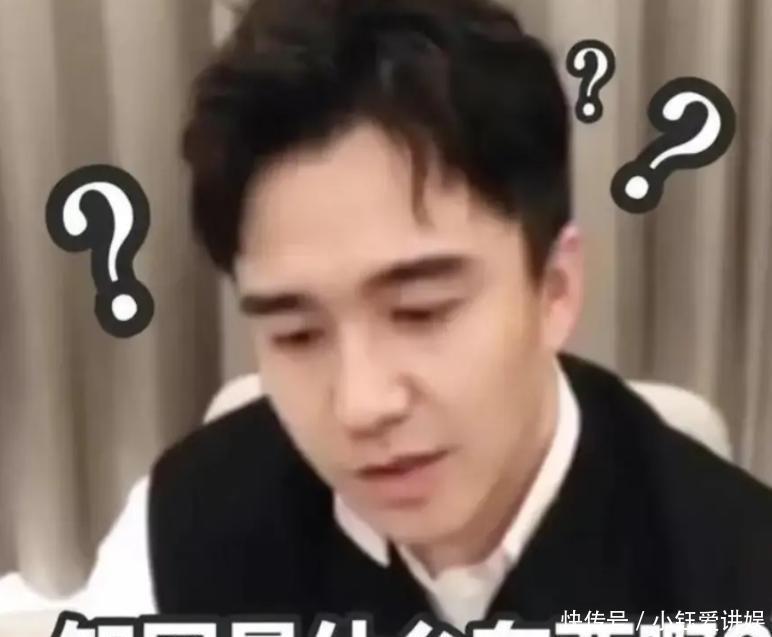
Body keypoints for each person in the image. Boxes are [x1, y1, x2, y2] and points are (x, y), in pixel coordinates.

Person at [4, 0, 772, 633]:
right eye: (297, 332)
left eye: (420, 311)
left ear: (556, 287)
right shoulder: (177, 533)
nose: (362, 404)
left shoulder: (734, 575)